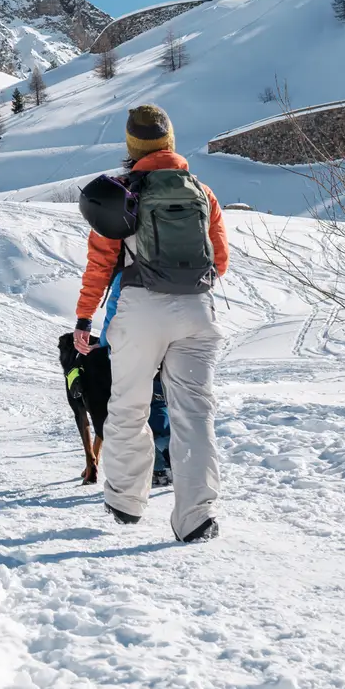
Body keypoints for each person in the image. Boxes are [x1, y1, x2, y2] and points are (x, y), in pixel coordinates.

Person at [75, 105, 227, 538]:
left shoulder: (121, 192)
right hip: (198, 311)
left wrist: (85, 317)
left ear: (131, 146)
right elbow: (221, 260)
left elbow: (100, 264)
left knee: (128, 405)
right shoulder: (201, 191)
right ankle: (197, 517)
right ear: (170, 141)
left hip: (141, 309)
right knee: (194, 414)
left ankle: (125, 501)